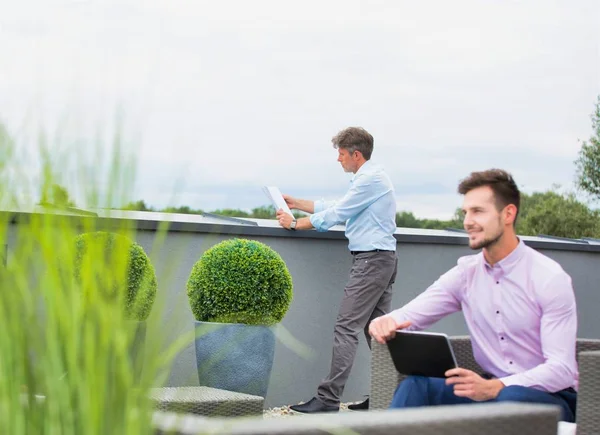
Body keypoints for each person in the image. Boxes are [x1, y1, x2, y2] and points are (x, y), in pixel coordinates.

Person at [369, 169, 578, 422]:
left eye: (478, 211)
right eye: (465, 212)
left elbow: (562, 369)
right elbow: (408, 316)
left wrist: (499, 386)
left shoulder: (549, 278)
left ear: (508, 214)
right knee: (417, 385)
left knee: (509, 400)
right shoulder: (465, 274)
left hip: (550, 398)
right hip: (488, 391)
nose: (467, 221)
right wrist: (384, 322)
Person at [276, 126, 398, 413]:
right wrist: (297, 204)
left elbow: (337, 214)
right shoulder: (369, 179)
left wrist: (295, 223)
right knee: (377, 331)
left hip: (372, 261)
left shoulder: (371, 180)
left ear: (356, 154)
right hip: (379, 259)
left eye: (341, 154)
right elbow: (338, 205)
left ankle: (328, 399)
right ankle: (388, 396)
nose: (338, 159)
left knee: (346, 328)